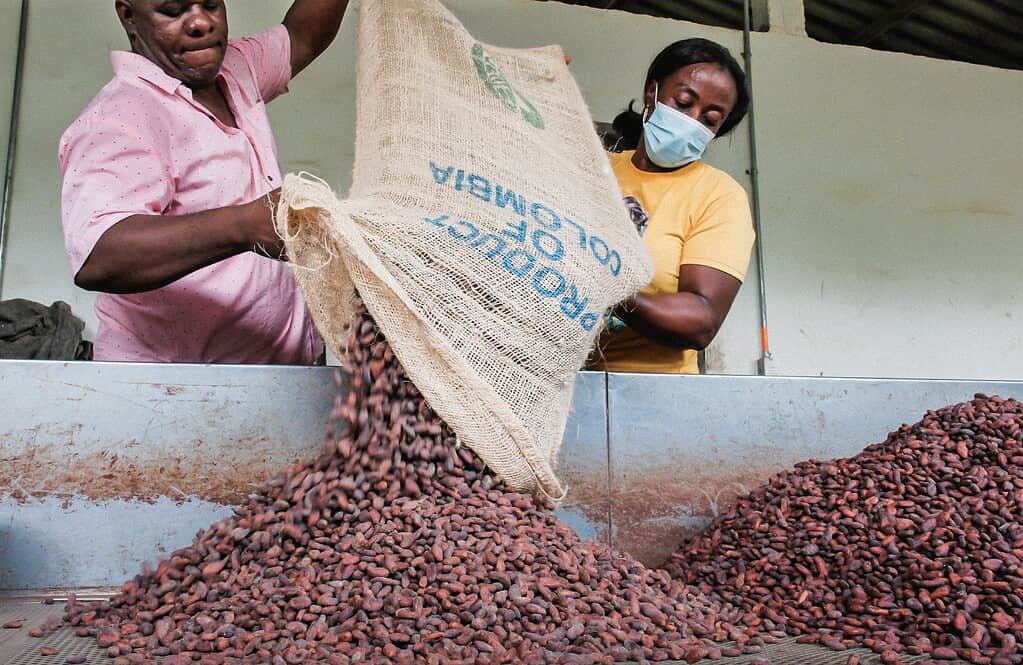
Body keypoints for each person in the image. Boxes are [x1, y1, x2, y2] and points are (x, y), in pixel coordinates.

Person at [59, 0, 350, 364]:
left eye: (211, 5)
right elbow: (99, 255)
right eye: (172, 10)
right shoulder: (120, 117)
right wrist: (244, 225)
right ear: (128, 16)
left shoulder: (237, 70)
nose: (200, 22)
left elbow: (304, 34)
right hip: (175, 391)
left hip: (276, 377)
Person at [588, 38, 755, 374]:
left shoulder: (718, 195)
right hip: (551, 385)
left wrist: (607, 290)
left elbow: (701, 319)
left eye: (709, 119)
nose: (691, 121)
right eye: (682, 103)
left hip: (651, 394)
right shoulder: (592, 168)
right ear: (653, 93)